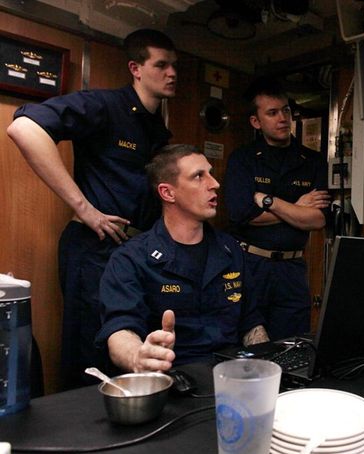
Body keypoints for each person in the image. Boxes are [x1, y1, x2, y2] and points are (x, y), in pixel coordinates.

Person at [6, 29, 178, 388]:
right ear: (135, 68)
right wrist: (84, 208)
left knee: (129, 351)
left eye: (173, 66)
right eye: (161, 65)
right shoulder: (105, 105)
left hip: (137, 252)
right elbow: (24, 128)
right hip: (95, 247)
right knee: (89, 355)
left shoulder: (157, 132)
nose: (171, 73)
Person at [96, 144, 269, 372]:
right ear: (168, 193)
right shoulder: (131, 258)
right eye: (199, 176)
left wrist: (268, 372)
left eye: (210, 173)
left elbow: (251, 324)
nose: (214, 184)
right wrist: (138, 357)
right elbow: (120, 330)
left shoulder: (230, 249)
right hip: (172, 378)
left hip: (231, 377)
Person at [224, 77, 330, 341]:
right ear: (256, 122)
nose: (283, 118)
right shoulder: (243, 159)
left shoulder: (313, 161)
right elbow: (242, 215)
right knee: (248, 347)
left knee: (293, 347)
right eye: (272, 113)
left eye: (286, 110)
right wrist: (297, 209)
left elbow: (317, 219)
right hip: (251, 265)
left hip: (292, 269)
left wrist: (270, 202)